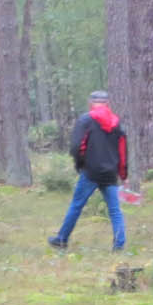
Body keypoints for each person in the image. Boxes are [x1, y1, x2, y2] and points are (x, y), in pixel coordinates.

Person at [49, 89, 129, 251]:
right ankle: (119, 245)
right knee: (115, 210)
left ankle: (62, 239)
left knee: (76, 206)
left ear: (91, 103)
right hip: (110, 173)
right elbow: (122, 150)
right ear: (107, 104)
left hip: (90, 172)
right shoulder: (116, 123)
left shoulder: (85, 120)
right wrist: (123, 174)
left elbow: (76, 146)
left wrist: (79, 164)